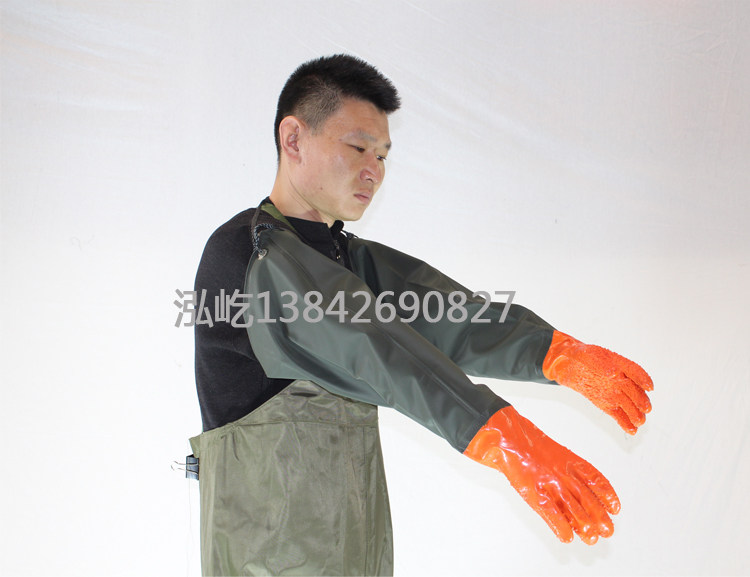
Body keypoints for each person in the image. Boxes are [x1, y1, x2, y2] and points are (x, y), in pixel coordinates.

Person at [188, 54, 653, 576]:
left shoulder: (340, 255)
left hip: (354, 554)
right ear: (293, 139)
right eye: (358, 147)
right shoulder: (250, 254)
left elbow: (446, 315)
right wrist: (507, 438)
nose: (374, 171)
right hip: (265, 561)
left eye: (382, 156)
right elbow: (374, 344)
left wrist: (558, 355)